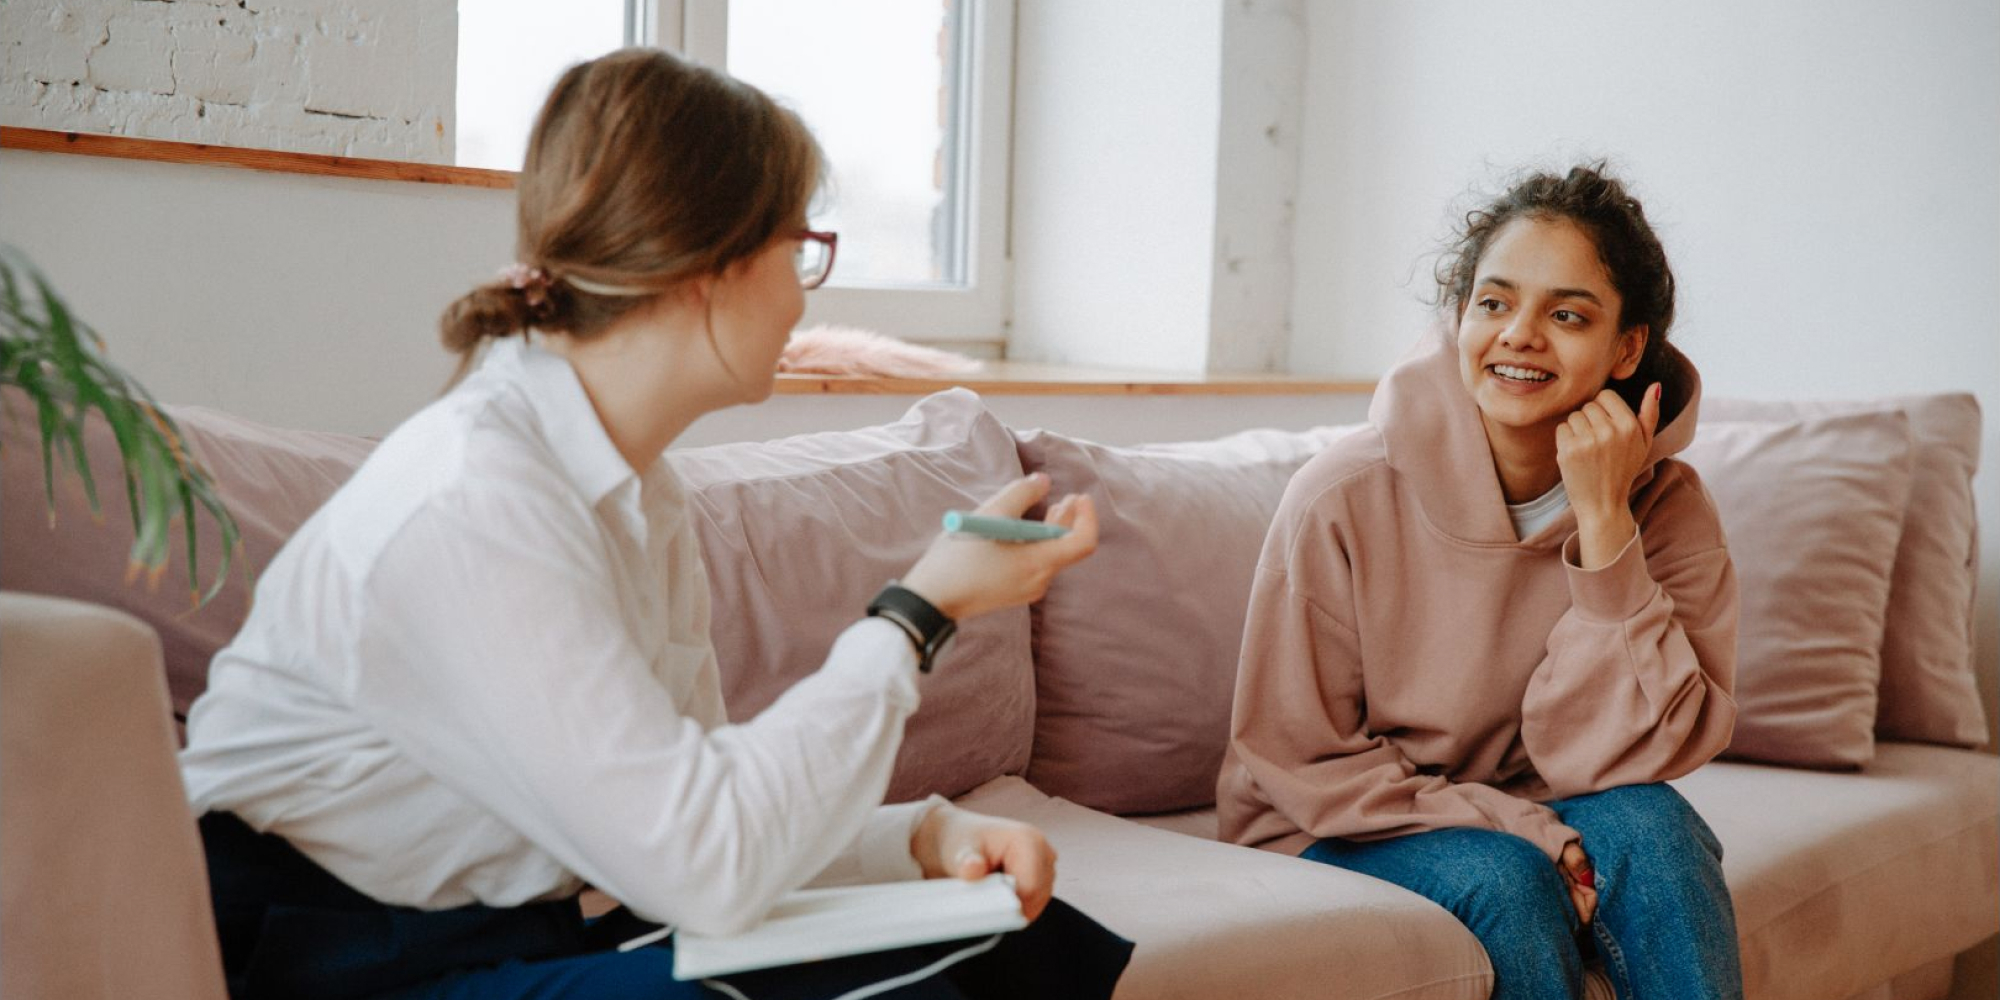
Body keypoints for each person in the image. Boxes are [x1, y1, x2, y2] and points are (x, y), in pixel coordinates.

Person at [179, 48, 1132, 1000]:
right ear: (702, 267)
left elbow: (700, 809)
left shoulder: (640, 492)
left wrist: (920, 837)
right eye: (797, 250)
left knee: (1018, 942)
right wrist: (916, 613)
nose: (805, 293)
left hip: (517, 932)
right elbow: (704, 865)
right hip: (334, 959)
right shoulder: (479, 499)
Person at [1218, 164, 1743, 1000]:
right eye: (1494, 303)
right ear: (1458, 316)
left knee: (1658, 828)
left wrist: (1607, 530)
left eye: (1567, 315)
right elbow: (1298, 756)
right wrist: (1517, 823)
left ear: (1627, 347)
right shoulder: (1341, 496)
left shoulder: (1669, 508)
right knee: (1506, 879)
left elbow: (1645, 756)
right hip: (1333, 822)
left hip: (1542, 800)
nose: (1520, 336)